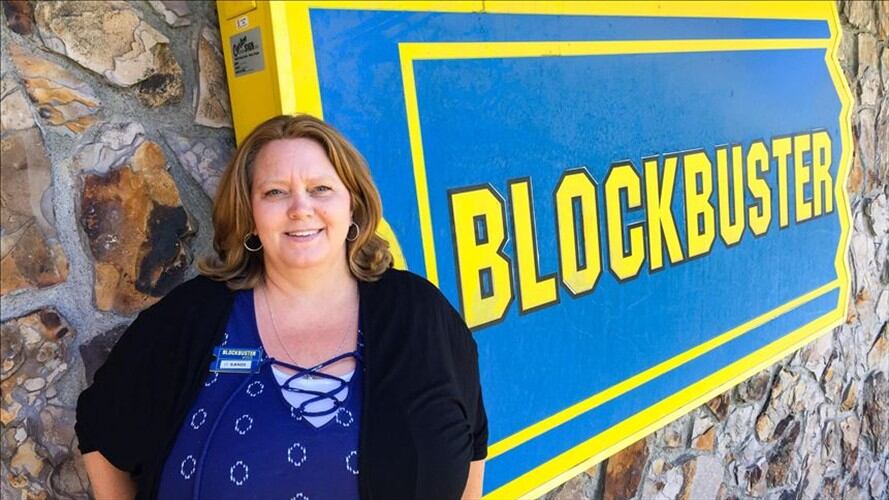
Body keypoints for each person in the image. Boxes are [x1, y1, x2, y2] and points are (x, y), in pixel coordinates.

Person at [76, 114, 487, 499]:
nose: (300, 208)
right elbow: (100, 430)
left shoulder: (418, 313)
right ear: (250, 216)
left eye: (321, 188)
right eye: (275, 192)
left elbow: (472, 443)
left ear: (353, 206)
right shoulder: (191, 318)